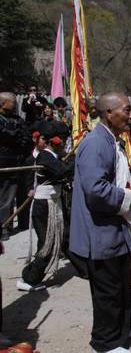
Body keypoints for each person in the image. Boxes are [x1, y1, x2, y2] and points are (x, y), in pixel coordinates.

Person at [69, 92, 131, 353]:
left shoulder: (112, 140)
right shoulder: (96, 143)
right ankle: (106, 342)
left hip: (114, 226)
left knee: (122, 282)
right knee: (108, 289)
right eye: (127, 109)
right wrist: (130, 197)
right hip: (98, 231)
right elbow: (96, 189)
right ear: (109, 113)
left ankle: (121, 329)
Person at [17, 121, 74, 291]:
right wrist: (76, 161)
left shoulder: (53, 157)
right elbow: (62, 171)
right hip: (43, 206)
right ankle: (29, 278)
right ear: (55, 141)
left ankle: (33, 276)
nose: (64, 143)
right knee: (47, 243)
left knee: (56, 239)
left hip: (52, 203)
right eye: (63, 140)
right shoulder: (44, 157)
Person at [0, 92, 31, 241]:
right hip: (4, 163)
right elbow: (7, 135)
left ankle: (23, 222)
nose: (15, 105)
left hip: (20, 161)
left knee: (22, 193)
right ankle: (4, 225)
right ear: (3, 103)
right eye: (12, 102)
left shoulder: (18, 119)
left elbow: (25, 136)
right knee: (5, 196)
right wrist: (14, 135)